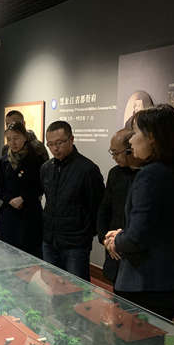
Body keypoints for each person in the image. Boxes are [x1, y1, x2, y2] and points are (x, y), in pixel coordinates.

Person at [104, 104, 174, 320]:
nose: (131, 141)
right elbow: (156, 227)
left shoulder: (150, 175)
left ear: (151, 137)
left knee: (136, 340)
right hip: (169, 279)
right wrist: (122, 235)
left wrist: (116, 241)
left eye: (135, 133)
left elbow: (137, 238)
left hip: (146, 282)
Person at [41, 120, 104, 281]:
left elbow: (97, 207)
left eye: (59, 143)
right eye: (50, 144)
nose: (55, 148)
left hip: (75, 244)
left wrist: (84, 234)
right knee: (51, 285)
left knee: (76, 288)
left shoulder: (87, 169)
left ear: (71, 139)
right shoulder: (46, 168)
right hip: (49, 239)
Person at [96, 128, 143, 283]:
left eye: (117, 153)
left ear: (130, 149)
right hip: (112, 245)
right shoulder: (115, 173)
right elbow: (104, 209)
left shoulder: (146, 176)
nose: (114, 157)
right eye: (112, 152)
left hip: (135, 248)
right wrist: (105, 240)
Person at [0, 122, 45, 257]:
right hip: (9, 213)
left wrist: (23, 198)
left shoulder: (35, 159)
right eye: (9, 139)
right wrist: (9, 199)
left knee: (30, 254)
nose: (13, 142)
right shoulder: (4, 161)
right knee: (8, 254)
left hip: (30, 213)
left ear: (24, 137)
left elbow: (41, 185)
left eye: (16, 138)